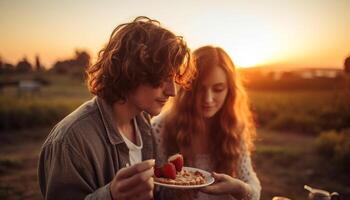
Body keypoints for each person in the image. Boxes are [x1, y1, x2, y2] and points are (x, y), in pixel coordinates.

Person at [38, 16, 195, 200]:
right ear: (132, 70)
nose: (173, 91)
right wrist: (111, 196)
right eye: (163, 77)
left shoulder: (143, 122)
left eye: (174, 78)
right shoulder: (71, 141)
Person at [152, 46, 261, 200]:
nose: (208, 99)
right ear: (187, 88)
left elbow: (252, 186)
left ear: (230, 91)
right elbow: (152, 189)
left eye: (218, 89)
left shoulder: (234, 128)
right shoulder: (160, 128)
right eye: (200, 89)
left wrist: (240, 189)